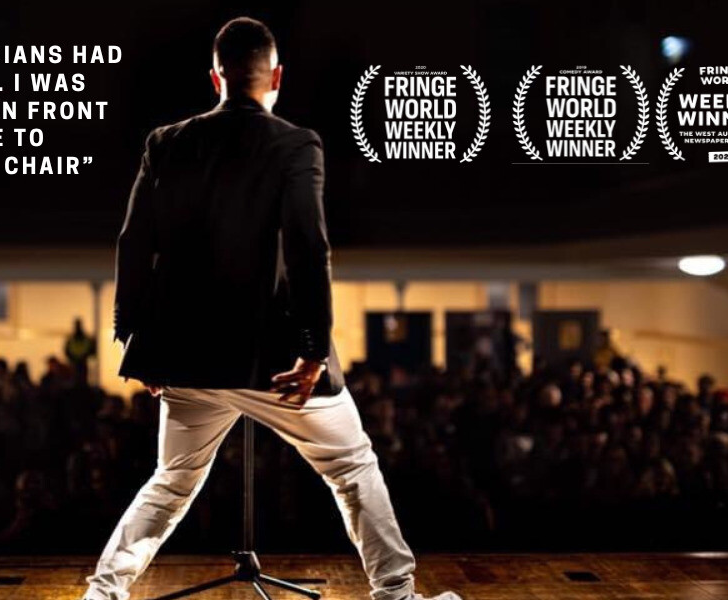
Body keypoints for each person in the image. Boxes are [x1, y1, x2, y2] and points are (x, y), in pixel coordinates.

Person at [84, 17, 458, 600]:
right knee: (353, 467)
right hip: (275, 359)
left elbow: (134, 243)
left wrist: (135, 340)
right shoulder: (295, 143)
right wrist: (313, 351)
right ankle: (395, 594)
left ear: (215, 79)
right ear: (276, 76)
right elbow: (311, 249)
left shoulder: (166, 142)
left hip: (185, 357)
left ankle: (103, 593)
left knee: (172, 481)